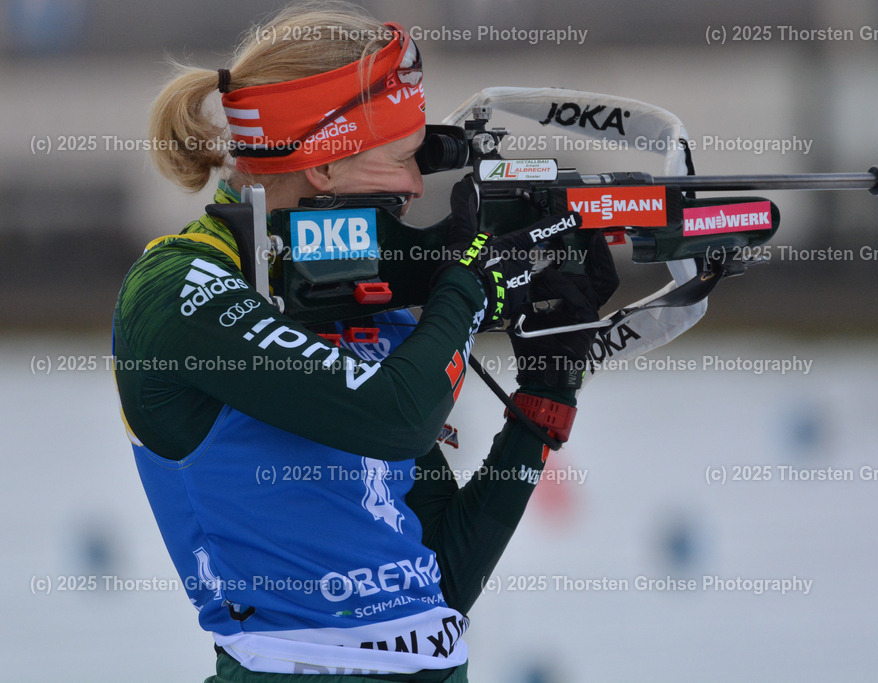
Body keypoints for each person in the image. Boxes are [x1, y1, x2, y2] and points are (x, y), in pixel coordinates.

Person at [112, 3, 616, 681]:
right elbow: (398, 414)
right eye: (405, 159)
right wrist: (466, 287)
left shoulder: (367, 296)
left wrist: (548, 386)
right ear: (323, 165)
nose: (416, 187)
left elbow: (438, 581)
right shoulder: (177, 289)